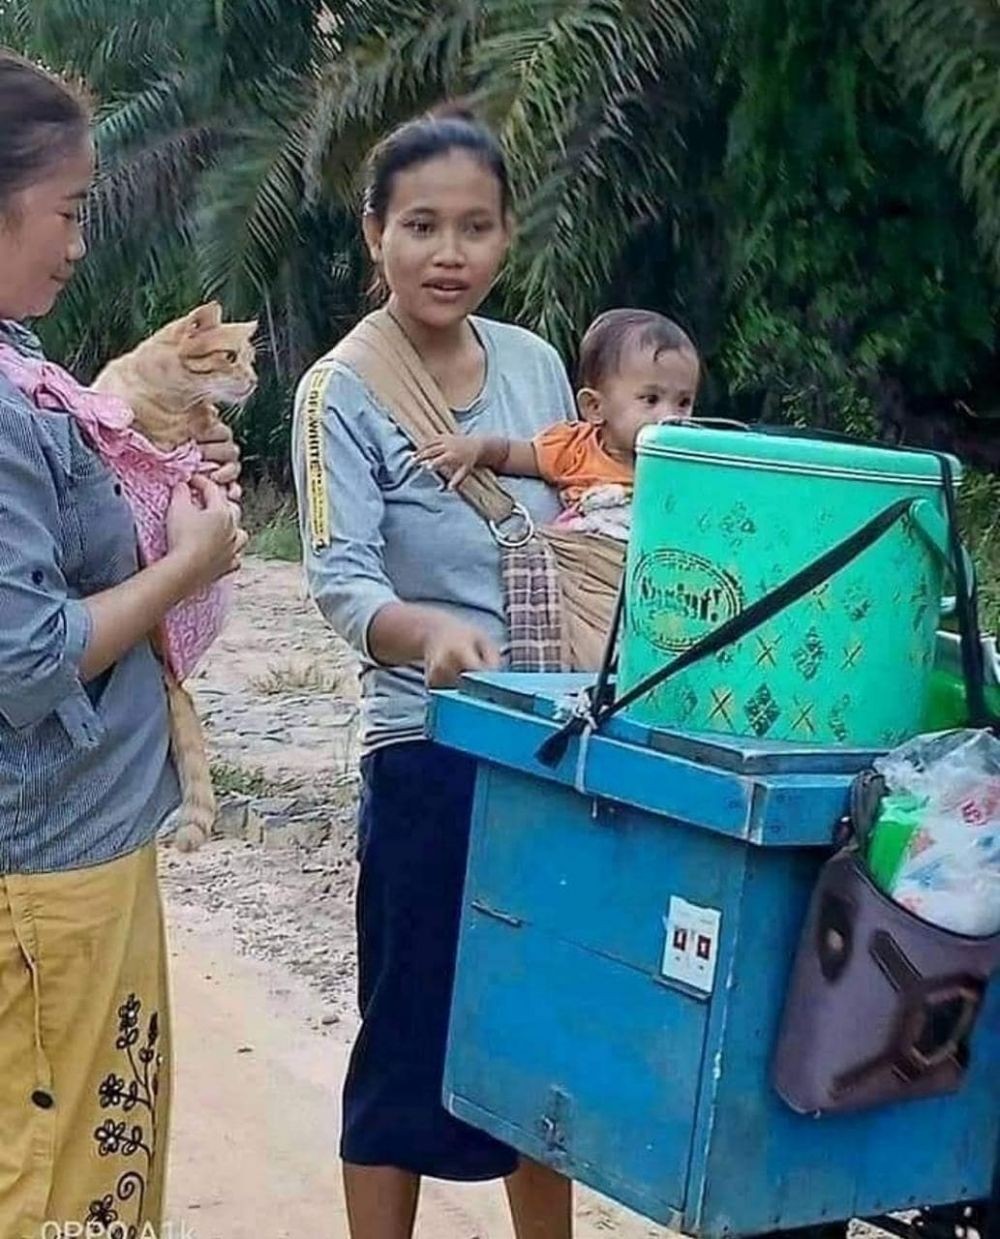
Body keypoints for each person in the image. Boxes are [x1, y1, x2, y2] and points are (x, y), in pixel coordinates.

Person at [292, 108, 577, 1238]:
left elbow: (582, 518)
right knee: (410, 1028)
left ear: (506, 240)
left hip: (553, 741)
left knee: (542, 1035)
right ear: (375, 235)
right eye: (420, 225)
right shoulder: (339, 391)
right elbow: (338, 581)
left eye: (473, 227)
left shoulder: (539, 365)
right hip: (431, 747)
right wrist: (430, 638)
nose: (446, 252)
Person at [0, 52, 246, 1237]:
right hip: (45, 869)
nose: (82, 241)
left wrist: (170, 499)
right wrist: (188, 565)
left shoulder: (27, 371)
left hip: (75, 849)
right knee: (60, 1190)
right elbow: (27, 658)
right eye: (71, 209)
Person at [416, 308, 701, 541]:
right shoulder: (574, 449)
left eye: (683, 402)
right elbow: (510, 454)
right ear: (594, 407)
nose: (670, 417)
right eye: (651, 399)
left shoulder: (688, 465)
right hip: (587, 565)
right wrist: (475, 449)